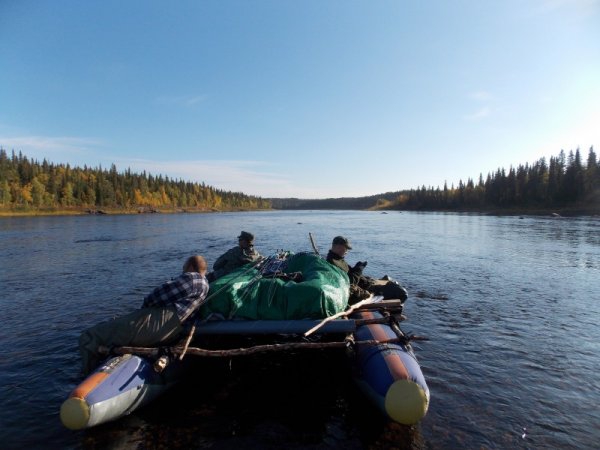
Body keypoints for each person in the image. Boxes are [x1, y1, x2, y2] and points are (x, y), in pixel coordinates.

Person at [79, 255, 209, 375]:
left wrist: (144, 308)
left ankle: (86, 376)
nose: (183, 271)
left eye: (184, 267)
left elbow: (159, 295)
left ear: (191, 267)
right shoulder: (205, 286)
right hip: (173, 330)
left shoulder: (194, 278)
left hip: (160, 325)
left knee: (90, 336)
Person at [326, 236, 407, 304]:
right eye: (345, 249)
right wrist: (358, 270)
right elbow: (350, 282)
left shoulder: (338, 259)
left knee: (393, 284)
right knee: (401, 292)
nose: (346, 252)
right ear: (338, 247)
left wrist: (357, 268)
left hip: (365, 285)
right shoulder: (333, 262)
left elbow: (349, 273)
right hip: (361, 290)